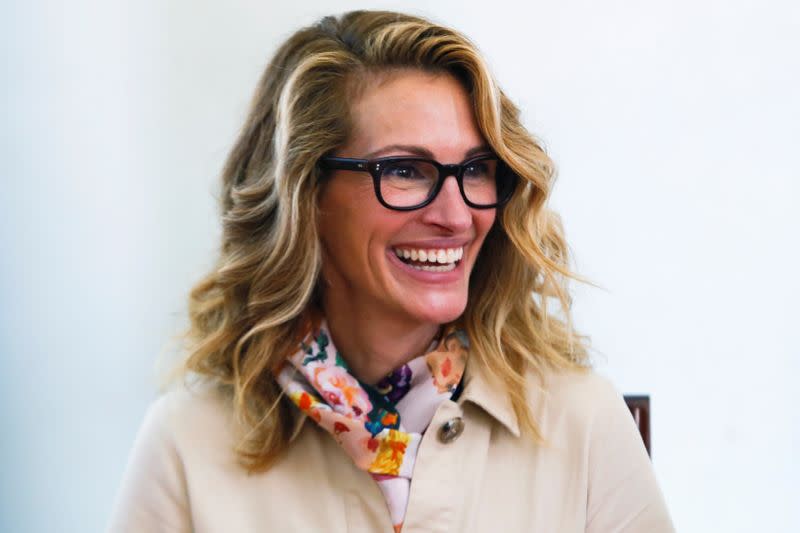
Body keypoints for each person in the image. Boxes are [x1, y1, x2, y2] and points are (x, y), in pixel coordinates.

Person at [108, 10, 674, 533]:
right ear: (306, 195)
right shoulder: (188, 443)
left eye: (475, 169)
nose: (457, 216)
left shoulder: (584, 423)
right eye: (404, 169)